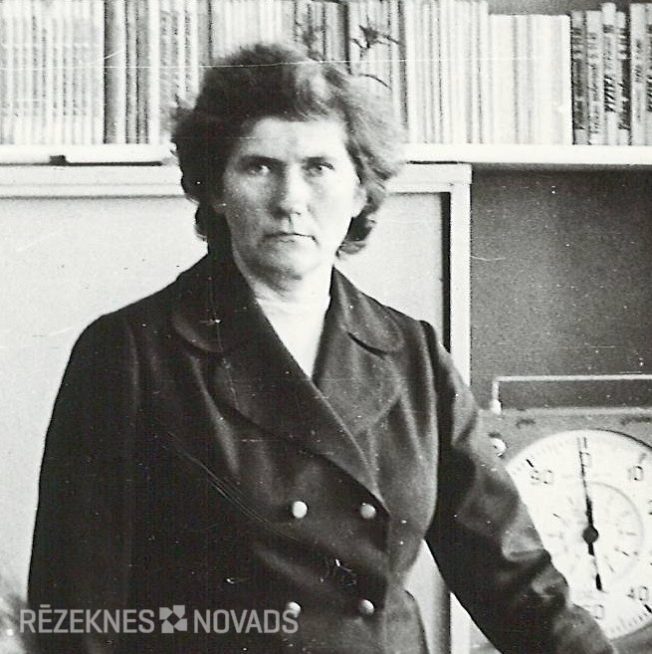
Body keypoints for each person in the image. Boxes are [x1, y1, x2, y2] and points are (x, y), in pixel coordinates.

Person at [29, 42, 616, 654]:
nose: (290, 199)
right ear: (216, 189)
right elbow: (75, 614)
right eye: (259, 167)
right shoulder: (131, 353)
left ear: (361, 191)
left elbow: (515, 582)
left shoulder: (413, 355)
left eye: (319, 167)